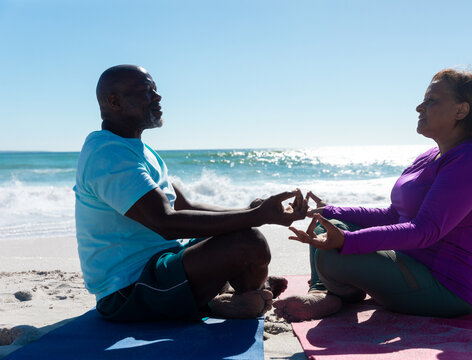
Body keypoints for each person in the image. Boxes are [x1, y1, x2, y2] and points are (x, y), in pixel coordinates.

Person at [74, 64, 307, 322]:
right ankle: (227, 298)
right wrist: (258, 217)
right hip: (128, 289)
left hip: (164, 265)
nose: (157, 96)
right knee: (250, 242)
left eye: (155, 89)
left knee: (243, 234)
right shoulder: (107, 154)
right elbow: (166, 223)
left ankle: (233, 294)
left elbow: (185, 206)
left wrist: (252, 211)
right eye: (145, 91)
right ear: (114, 101)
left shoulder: (140, 150)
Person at [274, 69, 472, 321]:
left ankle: (335, 291)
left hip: (446, 288)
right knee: (325, 226)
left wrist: (347, 242)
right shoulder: (429, 156)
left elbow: (425, 230)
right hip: (407, 264)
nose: (419, 107)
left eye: (431, 100)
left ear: (461, 111)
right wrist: (329, 211)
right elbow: (393, 215)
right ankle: (323, 292)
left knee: (332, 255)